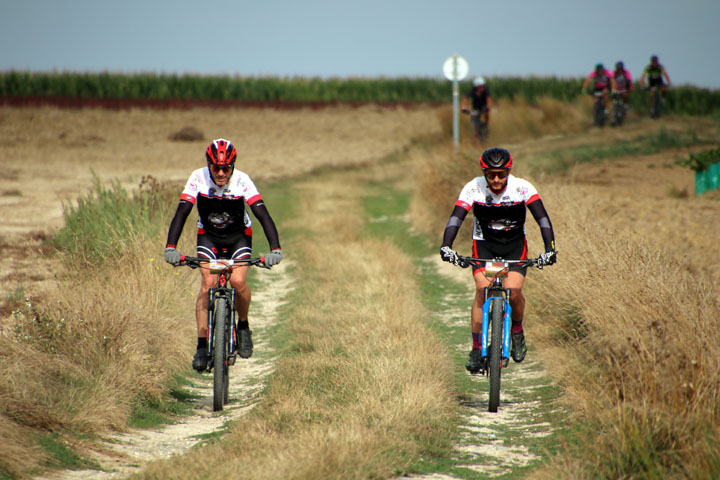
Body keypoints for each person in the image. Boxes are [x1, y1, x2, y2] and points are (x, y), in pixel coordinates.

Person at [163, 138, 282, 371]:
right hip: (209, 236)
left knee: (238, 281)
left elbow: (263, 215)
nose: (220, 173)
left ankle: (244, 326)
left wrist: (275, 249)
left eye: (225, 168)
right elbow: (182, 212)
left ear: (233, 166)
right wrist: (171, 246)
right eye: (215, 168)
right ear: (208, 165)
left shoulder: (242, 181)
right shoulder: (198, 177)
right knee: (208, 284)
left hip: (238, 236)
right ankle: (201, 346)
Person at [439, 147, 556, 373]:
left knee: (514, 290)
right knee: (483, 288)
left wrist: (549, 249)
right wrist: (447, 246)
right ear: (483, 173)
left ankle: (517, 332)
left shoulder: (522, 188)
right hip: (485, 246)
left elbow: (542, 219)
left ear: (508, 171)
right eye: (490, 174)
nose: (495, 179)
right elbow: (456, 218)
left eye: (501, 174)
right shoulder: (473, 188)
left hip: (514, 247)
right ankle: (475, 349)